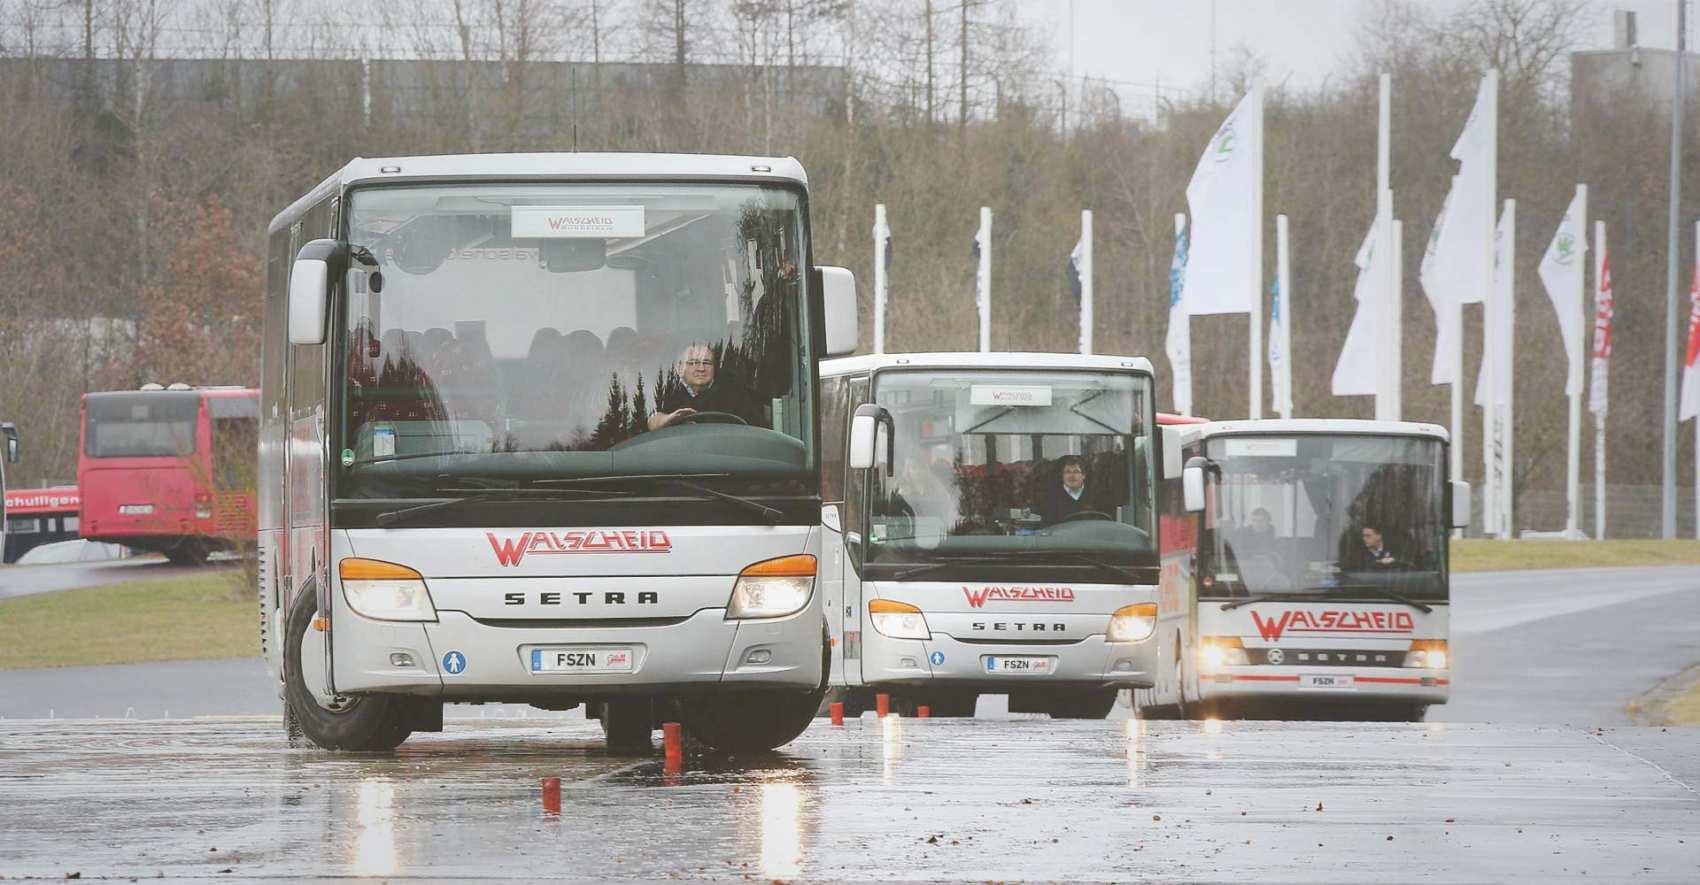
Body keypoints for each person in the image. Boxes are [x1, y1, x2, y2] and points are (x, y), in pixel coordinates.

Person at [647, 341, 767, 429]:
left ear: (714, 368)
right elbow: (652, 419)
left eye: (707, 363)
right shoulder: (668, 392)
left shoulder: (736, 395)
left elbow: (760, 431)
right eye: (693, 363)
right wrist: (666, 420)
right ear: (679, 368)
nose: (701, 368)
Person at [1036, 455, 1107, 525]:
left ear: (1084, 475)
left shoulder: (1097, 496)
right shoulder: (1050, 498)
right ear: (1062, 475)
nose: (1071, 476)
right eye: (1067, 472)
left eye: (1076, 472)